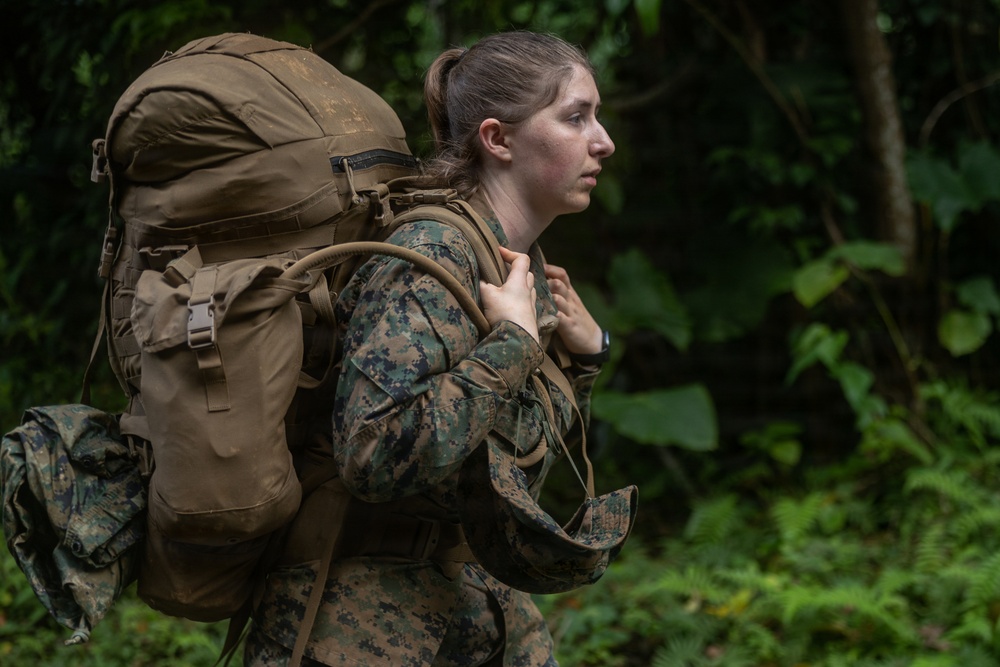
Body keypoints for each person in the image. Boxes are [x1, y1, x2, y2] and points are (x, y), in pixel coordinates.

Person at [245, 29, 617, 666]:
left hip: (475, 605)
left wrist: (583, 358)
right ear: (498, 139)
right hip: (363, 627)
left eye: (596, 116)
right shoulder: (430, 256)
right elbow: (372, 455)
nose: (603, 140)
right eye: (576, 117)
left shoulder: (513, 263)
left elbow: (512, 454)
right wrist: (512, 345)